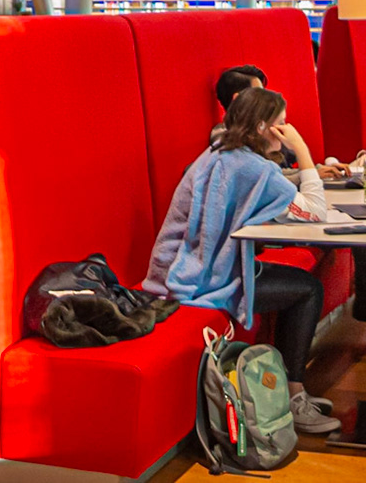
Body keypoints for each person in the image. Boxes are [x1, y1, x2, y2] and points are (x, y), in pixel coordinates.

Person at [142, 86, 343, 435]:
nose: (286, 129)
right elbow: (315, 213)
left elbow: (266, 188)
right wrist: (304, 152)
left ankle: (285, 389)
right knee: (308, 288)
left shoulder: (217, 153)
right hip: (205, 280)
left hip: (172, 270)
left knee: (294, 280)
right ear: (264, 127)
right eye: (282, 123)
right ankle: (294, 397)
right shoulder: (255, 169)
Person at [210, 65, 366, 348]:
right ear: (239, 99)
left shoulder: (248, 143)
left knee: (365, 227)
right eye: (259, 92)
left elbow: (277, 173)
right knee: (357, 229)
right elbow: (269, 179)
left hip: (278, 207)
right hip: (264, 227)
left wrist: (315, 169)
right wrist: (308, 167)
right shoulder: (228, 142)